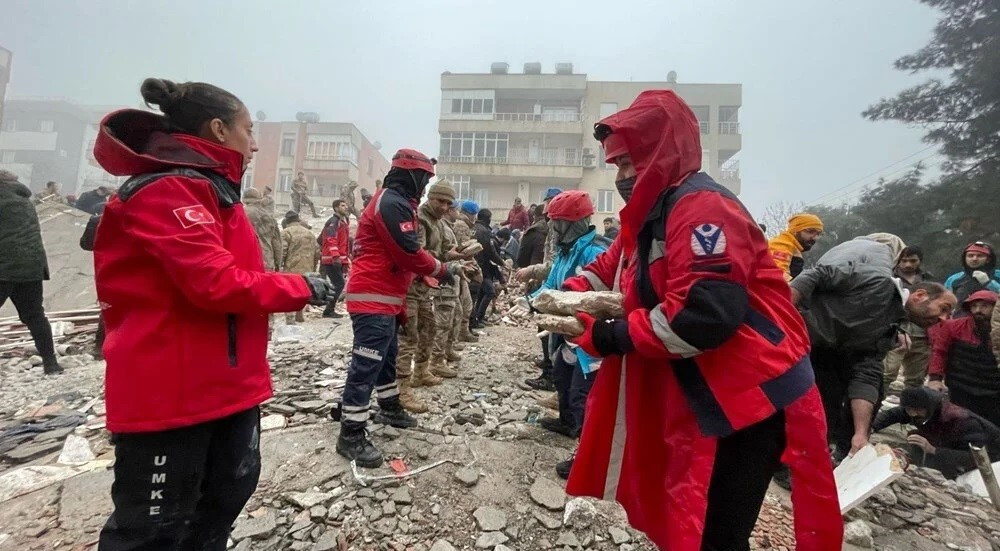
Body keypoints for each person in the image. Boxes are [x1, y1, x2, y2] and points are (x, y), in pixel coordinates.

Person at [562, 90, 842, 551]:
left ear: (664, 154)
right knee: (685, 506)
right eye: (617, 167)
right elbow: (616, 263)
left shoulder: (702, 209)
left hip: (753, 394)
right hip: (717, 383)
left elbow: (703, 318)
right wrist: (570, 293)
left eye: (631, 164)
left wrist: (610, 335)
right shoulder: (654, 212)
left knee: (716, 528)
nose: (623, 177)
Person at [91, 78, 331, 549]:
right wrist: (300, 285)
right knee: (155, 530)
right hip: (173, 393)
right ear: (219, 129)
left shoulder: (214, 191)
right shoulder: (169, 190)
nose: (256, 142)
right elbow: (213, 282)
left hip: (225, 384)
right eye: (248, 128)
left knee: (220, 504)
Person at [337, 148, 459, 467]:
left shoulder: (397, 202)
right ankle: (350, 434)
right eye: (424, 178)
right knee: (366, 365)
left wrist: (400, 307)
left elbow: (397, 259)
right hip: (372, 296)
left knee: (386, 358)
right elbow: (407, 252)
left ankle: (389, 407)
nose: (425, 186)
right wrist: (442, 270)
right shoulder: (392, 202)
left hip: (385, 298)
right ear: (411, 175)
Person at [790, 235, 956, 461]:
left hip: (828, 354)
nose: (945, 319)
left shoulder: (890, 329)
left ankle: (831, 455)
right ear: (919, 296)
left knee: (847, 401)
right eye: (944, 308)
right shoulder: (877, 282)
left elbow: (865, 375)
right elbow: (817, 274)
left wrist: (860, 433)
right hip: (797, 339)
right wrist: (779, 311)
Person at [514, 190, 609, 480]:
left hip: (589, 340)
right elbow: (553, 285)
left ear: (573, 224)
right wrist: (532, 301)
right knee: (561, 377)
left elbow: (598, 298)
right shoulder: (565, 253)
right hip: (566, 336)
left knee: (584, 395)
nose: (553, 230)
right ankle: (567, 423)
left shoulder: (596, 252)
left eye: (557, 224)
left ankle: (589, 457)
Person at [396, 181, 460, 414]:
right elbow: (416, 254)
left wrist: (452, 255)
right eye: (440, 201)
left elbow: (439, 252)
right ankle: (401, 388)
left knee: (429, 328)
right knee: (408, 336)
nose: (444, 206)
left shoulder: (438, 223)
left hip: (424, 289)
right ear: (430, 198)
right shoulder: (419, 220)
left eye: (448, 203)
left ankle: (421, 371)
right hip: (410, 287)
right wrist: (443, 260)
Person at [0, 170, 62, 375]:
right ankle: (51, 363)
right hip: (32, 264)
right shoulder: (24, 200)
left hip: (4, 265)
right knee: (35, 315)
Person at [873, 387, 1000, 479]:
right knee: (916, 437)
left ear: (928, 407)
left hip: (991, 456)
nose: (913, 414)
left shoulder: (962, 422)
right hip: (948, 444)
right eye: (909, 410)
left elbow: (979, 457)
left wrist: (933, 450)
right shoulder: (920, 410)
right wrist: (872, 427)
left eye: (916, 410)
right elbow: (892, 414)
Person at [927, 290, 1000, 427]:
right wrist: (935, 379)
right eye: (974, 306)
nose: (978, 310)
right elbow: (939, 352)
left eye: (984, 306)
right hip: (961, 387)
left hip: (993, 389)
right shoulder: (952, 327)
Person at [883, 246, 934, 392]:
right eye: (904, 261)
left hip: (921, 333)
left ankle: (912, 411)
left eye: (913, 261)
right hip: (895, 331)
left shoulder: (927, 279)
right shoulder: (889, 277)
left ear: (920, 261)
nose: (908, 265)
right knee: (887, 374)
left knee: (916, 379)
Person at [281, 210, 320, 324]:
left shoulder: (286, 232)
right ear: (298, 220)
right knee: (302, 292)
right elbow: (317, 252)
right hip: (307, 268)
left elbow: (282, 251)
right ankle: (299, 314)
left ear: (287, 221)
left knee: (289, 293)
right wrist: (313, 266)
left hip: (291, 268)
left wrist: (279, 265)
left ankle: (290, 318)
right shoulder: (309, 233)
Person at [470, 208, 505, 329]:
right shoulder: (485, 232)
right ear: (488, 218)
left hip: (471, 266)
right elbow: (491, 252)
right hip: (482, 268)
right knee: (489, 292)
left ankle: (477, 319)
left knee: (478, 294)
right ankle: (475, 320)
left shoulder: (472, 228)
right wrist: (502, 263)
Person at [453, 200, 482, 343]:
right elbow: (464, 251)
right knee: (464, 304)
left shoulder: (460, 224)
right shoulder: (462, 226)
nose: (474, 217)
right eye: (474, 214)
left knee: (464, 303)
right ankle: (460, 334)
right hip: (460, 267)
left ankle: (461, 333)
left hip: (459, 267)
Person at [767, 213, 823, 282]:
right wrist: (800, 287)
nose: (815, 238)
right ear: (795, 230)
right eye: (810, 231)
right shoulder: (782, 244)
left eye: (818, 234)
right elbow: (778, 274)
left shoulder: (792, 247)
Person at [319, 199, 351, 318]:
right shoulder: (333, 222)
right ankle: (328, 310)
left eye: (346, 205)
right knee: (339, 284)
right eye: (343, 205)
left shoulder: (343, 221)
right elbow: (331, 239)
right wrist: (336, 256)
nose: (346, 207)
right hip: (332, 259)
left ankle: (329, 308)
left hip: (338, 258)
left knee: (337, 284)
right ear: (336, 208)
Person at [242, 188, 282, 271]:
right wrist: (278, 264)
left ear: (244, 199)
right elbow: (277, 244)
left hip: (246, 262)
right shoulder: (269, 216)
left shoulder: (241, 213)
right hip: (266, 262)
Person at [517, 204, 548, 271]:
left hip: (534, 272)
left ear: (534, 216)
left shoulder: (532, 231)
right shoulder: (559, 229)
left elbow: (521, 260)